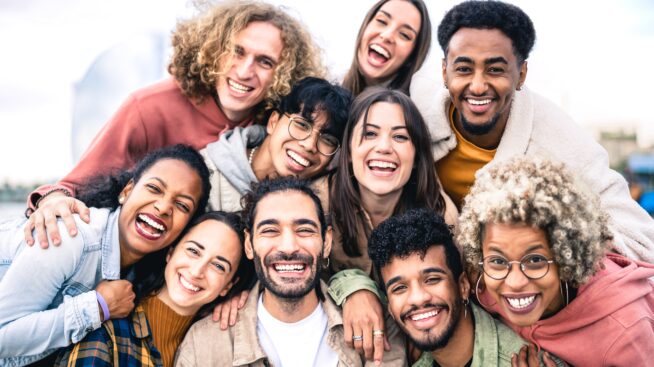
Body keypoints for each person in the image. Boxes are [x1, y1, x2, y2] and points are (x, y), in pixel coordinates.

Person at [25, 0, 324, 249]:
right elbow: (75, 187)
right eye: (237, 51)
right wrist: (52, 200)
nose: (245, 71)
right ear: (212, 49)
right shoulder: (149, 107)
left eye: (265, 62)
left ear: (283, 74)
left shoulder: (274, 126)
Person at [409, 0, 654, 262]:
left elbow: (641, 238)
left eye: (495, 70)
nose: (478, 86)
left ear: (522, 74)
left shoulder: (560, 140)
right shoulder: (414, 107)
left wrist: (552, 239)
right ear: (444, 71)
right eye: (464, 69)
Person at [0, 145, 210, 366]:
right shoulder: (71, 237)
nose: (164, 207)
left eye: (182, 205)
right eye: (154, 188)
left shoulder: (139, 273)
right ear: (127, 191)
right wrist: (97, 307)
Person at [175, 177, 405, 367]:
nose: (288, 247)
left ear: (326, 242)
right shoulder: (204, 344)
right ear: (248, 244)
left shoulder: (375, 326)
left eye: (304, 230)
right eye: (270, 230)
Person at [458, 156, 654, 366]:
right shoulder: (483, 287)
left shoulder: (624, 331)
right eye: (497, 260)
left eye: (534, 260)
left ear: (566, 258)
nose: (514, 283)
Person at [326, 88, 457, 363]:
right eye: (370, 134)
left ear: (416, 154)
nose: (384, 147)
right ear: (348, 150)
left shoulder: (440, 214)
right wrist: (352, 286)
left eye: (400, 136)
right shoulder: (318, 203)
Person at [55, 211, 254, 367]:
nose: (197, 271)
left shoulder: (217, 342)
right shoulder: (108, 332)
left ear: (228, 286)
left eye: (219, 266)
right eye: (193, 251)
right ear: (171, 252)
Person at [368, 208, 559, 367]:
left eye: (432, 279)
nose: (418, 298)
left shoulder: (530, 361)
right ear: (390, 307)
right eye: (399, 288)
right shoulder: (412, 358)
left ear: (463, 286)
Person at [201, 77, 352, 212]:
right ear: (273, 122)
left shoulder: (320, 206)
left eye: (328, 140)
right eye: (301, 125)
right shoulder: (205, 173)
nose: (309, 145)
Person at [342, 0, 431, 97]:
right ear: (365, 25)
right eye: (382, 21)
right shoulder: (328, 92)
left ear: (412, 57)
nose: (387, 35)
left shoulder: (414, 109)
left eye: (404, 35)